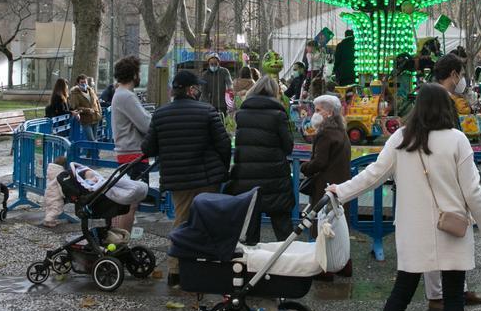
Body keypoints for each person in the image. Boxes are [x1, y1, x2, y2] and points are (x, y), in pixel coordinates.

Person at [327, 84, 481, 311]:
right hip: (452, 230)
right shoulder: (457, 140)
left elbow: (372, 175)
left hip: (413, 232)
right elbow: (472, 191)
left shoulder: (401, 138)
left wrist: (339, 191)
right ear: (445, 107)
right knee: (453, 299)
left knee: (400, 295)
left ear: (417, 106)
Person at [142, 69, 232, 283]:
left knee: (181, 222)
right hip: (207, 178)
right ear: (192, 90)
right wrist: (223, 169)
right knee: (209, 221)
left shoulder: (160, 115)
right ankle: (208, 266)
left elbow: (147, 149)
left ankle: (175, 270)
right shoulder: (208, 111)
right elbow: (224, 145)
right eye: (197, 87)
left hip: (178, 180)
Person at [424, 54, 481, 309]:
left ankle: (458, 288)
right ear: (453, 74)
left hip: (448, 167)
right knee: (437, 234)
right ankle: (437, 295)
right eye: (460, 74)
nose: (461, 79)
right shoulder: (437, 99)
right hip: (438, 171)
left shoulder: (447, 98)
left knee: (455, 232)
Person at [227, 76, 295, 246]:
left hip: (246, 176)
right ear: (275, 92)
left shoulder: (242, 114)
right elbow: (288, 147)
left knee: (250, 222)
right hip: (275, 176)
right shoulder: (279, 114)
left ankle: (250, 265)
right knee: (282, 224)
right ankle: (287, 259)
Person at [300, 95, 353, 276]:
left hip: (325, 186)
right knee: (339, 225)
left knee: (323, 226)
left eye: (318, 110)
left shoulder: (324, 134)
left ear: (329, 112)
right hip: (341, 185)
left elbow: (319, 162)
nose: (315, 114)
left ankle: (324, 271)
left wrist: (305, 167)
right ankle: (344, 265)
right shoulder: (341, 131)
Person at [109, 55, 151, 232]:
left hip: (127, 152)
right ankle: (120, 238)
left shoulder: (121, 94)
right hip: (133, 153)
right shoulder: (126, 96)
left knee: (128, 201)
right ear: (134, 74)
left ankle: (119, 236)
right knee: (131, 202)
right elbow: (146, 124)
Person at [68, 74, 102, 141]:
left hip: (95, 117)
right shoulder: (75, 93)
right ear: (78, 83)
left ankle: (91, 151)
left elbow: (97, 101)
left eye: (85, 82)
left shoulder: (91, 90)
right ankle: (95, 151)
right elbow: (75, 107)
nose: (84, 84)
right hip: (86, 120)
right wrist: (87, 110)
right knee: (91, 139)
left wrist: (100, 112)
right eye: (82, 82)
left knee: (94, 139)